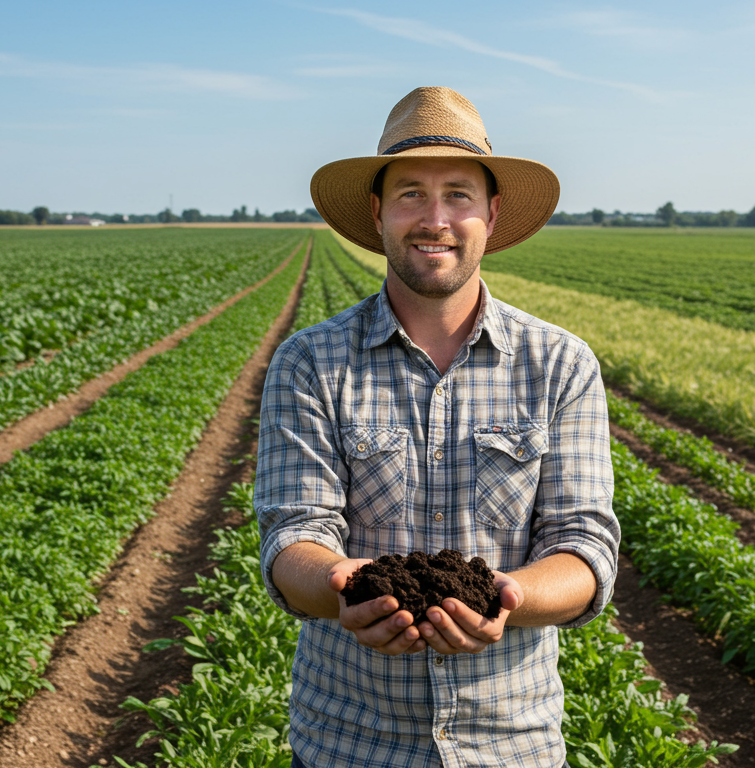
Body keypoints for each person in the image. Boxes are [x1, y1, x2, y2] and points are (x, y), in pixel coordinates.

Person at [256, 86, 619, 768]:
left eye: (457, 193)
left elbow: (584, 546)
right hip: (350, 745)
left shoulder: (559, 364)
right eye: (410, 195)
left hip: (511, 748)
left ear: (491, 212)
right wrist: (343, 586)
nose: (435, 218)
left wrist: (510, 598)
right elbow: (292, 534)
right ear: (379, 212)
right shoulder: (311, 363)